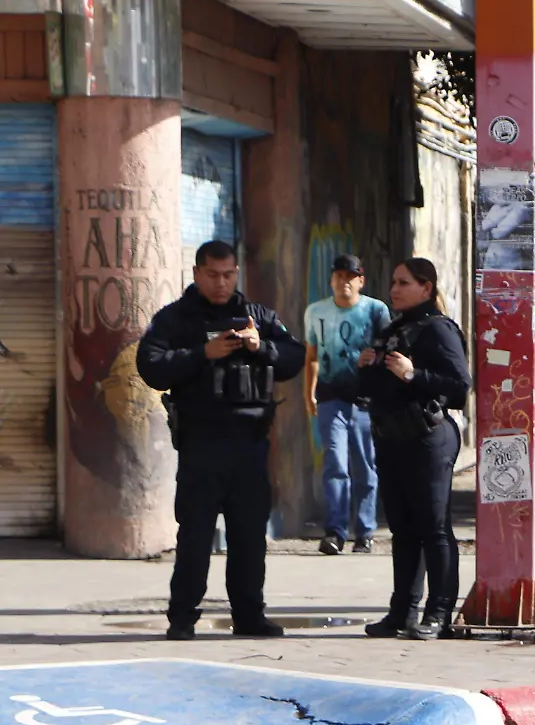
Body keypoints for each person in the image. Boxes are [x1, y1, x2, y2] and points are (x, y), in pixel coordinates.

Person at [136, 240, 305, 641]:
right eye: (212, 275)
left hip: (250, 445)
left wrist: (259, 346)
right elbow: (151, 365)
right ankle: (182, 619)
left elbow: (294, 356)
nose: (221, 283)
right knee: (194, 536)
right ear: (196, 273)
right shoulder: (176, 319)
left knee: (249, 538)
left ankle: (249, 617)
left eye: (228, 275)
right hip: (202, 446)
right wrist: (202, 353)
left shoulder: (256, 316)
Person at [358, 257, 470, 641]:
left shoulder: (438, 329)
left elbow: (459, 386)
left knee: (434, 528)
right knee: (403, 529)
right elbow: (374, 389)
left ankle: (439, 612)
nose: (395, 288)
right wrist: (368, 368)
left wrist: (413, 374)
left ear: (426, 287)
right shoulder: (394, 329)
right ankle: (402, 612)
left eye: (404, 282)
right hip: (392, 439)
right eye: (393, 281)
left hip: (428, 438)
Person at [303, 253, 391, 556]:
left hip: (365, 400)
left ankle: (364, 532)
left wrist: (376, 361)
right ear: (331, 280)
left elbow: (390, 350)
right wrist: (308, 394)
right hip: (330, 397)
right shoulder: (316, 312)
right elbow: (312, 355)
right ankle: (335, 531)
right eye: (339, 276)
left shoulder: (376, 311)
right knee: (335, 464)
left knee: (366, 466)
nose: (344, 282)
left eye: (350, 277)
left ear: (360, 281)